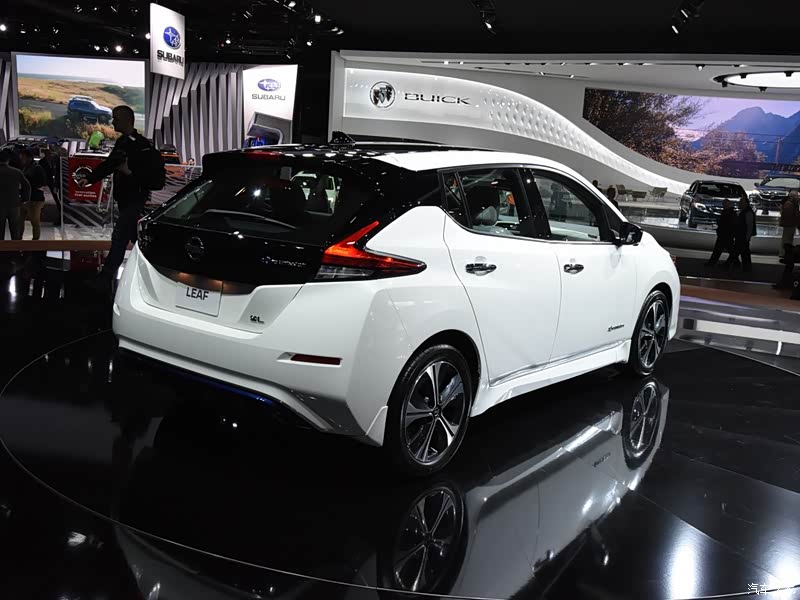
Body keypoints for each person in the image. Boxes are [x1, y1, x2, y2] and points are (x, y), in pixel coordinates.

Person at [77, 105, 164, 290]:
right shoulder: (123, 142)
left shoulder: (142, 146)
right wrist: (90, 178)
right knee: (135, 239)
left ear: (126, 120)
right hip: (125, 201)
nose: (112, 122)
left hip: (135, 200)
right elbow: (110, 164)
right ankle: (155, 277)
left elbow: (150, 178)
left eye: (116, 118)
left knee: (119, 239)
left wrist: (129, 173)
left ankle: (104, 279)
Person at [0, 149, 31, 240]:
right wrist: (24, 199)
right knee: (15, 229)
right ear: (8, 160)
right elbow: (27, 186)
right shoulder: (16, 172)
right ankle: (15, 247)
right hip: (14, 204)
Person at [19, 147, 48, 240]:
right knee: (20, 220)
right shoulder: (26, 167)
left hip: (35, 199)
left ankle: (35, 242)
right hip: (25, 198)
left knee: (35, 221)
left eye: (23, 157)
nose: (21, 159)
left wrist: (28, 184)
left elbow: (42, 182)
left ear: (29, 157)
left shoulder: (37, 168)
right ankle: (18, 239)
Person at [726, 193, 757, 273]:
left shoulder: (746, 213)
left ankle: (730, 264)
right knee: (743, 252)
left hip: (742, 236)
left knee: (739, 251)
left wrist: (747, 237)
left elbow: (749, 226)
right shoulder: (746, 212)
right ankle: (745, 267)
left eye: (741, 202)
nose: (739, 204)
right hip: (742, 236)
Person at [775, 190, 799, 289]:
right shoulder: (790, 205)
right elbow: (792, 216)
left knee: (786, 239)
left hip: (789, 225)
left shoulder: (789, 204)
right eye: (797, 196)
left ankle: (784, 253)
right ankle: (785, 254)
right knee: (787, 240)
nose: (798, 197)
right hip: (790, 225)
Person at [705, 198, 736, 266]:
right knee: (729, 249)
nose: (723, 205)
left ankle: (712, 263)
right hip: (727, 234)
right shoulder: (731, 212)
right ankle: (735, 262)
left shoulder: (727, 212)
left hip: (724, 234)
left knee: (718, 249)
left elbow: (725, 223)